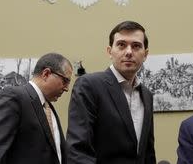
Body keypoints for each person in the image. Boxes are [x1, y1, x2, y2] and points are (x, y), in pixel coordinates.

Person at [66, 20, 156, 164]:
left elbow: (148, 153)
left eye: (136, 46)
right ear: (109, 51)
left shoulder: (147, 95)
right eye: (121, 45)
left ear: (145, 54)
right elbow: (78, 150)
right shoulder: (89, 85)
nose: (128, 52)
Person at [0, 53, 73, 164]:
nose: (66, 89)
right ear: (46, 74)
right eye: (65, 81)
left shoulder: (49, 108)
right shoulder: (13, 98)